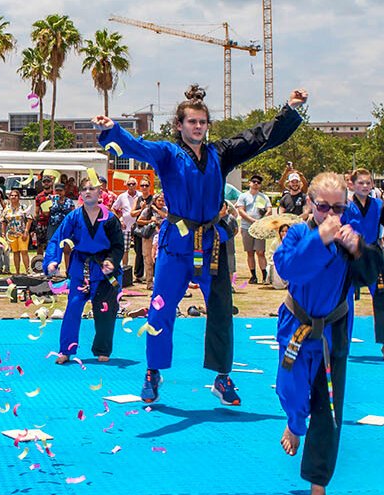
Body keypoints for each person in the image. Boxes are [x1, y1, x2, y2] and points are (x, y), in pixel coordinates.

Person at [96, 84, 306, 404]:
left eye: (202, 122)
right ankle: (153, 371)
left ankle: (222, 377)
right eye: (191, 122)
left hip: (213, 244)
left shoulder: (220, 153)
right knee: (161, 309)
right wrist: (113, 131)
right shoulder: (168, 154)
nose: (197, 127)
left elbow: (259, 137)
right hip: (175, 245)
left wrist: (290, 110)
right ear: (179, 126)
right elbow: (138, 147)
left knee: (221, 310)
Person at [273, 172, 362, 495]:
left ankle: (318, 484)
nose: (332, 215)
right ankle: (295, 423)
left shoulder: (351, 231)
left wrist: (358, 250)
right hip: (296, 328)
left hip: (334, 332)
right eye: (323, 207)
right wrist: (321, 239)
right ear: (310, 204)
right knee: (292, 392)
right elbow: (289, 269)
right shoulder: (298, 233)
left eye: (339, 207)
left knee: (328, 409)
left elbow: (369, 276)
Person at [44, 176, 125, 364]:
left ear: (100, 193)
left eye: (92, 188)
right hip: (81, 269)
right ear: (80, 194)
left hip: (103, 270)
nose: (88, 191)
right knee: (72, 308)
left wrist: (111, 261)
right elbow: (58, 238)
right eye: (84, 189)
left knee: (104, 311)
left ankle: (102, 349)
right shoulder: (73, 216)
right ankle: (66, 350)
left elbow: (118, 245)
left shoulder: (110, 218)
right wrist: (52, 261)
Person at [343, 168, 384, 361]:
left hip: (372, 255)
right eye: (360, 183)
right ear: (352, 185)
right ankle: (343, 343)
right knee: (345, 302)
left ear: (372, 185)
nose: (364, 186)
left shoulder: (380, 205)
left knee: (381, 299)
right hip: (350, 256)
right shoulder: (346, 206)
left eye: (368, 183)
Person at [236, 175, 272, 285]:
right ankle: (253, 276)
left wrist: (264, 217)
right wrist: (252, 220)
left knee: (260, 252)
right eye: (254, 182)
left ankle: (265, 276)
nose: (256, 184)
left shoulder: (263, 197)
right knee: (250, 252)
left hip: (260, 228)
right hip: (247, 227)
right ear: (249, 183)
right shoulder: (243, 196)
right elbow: (241, 210)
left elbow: (269, 209)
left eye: (258, 182)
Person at [5, 189, 31, 275]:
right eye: (12, 195)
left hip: (22, 233)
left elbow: (29, 219)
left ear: (19, 197)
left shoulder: (23, 207)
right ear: (9, 197)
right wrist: (3, 233)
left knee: (24, 251)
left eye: (15, 195)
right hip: (12, 234)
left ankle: (28, 271)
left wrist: (26, 231)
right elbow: (3, 221)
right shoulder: (7, 209)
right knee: (15, 252)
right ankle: (17, 272)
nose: (13, 197)